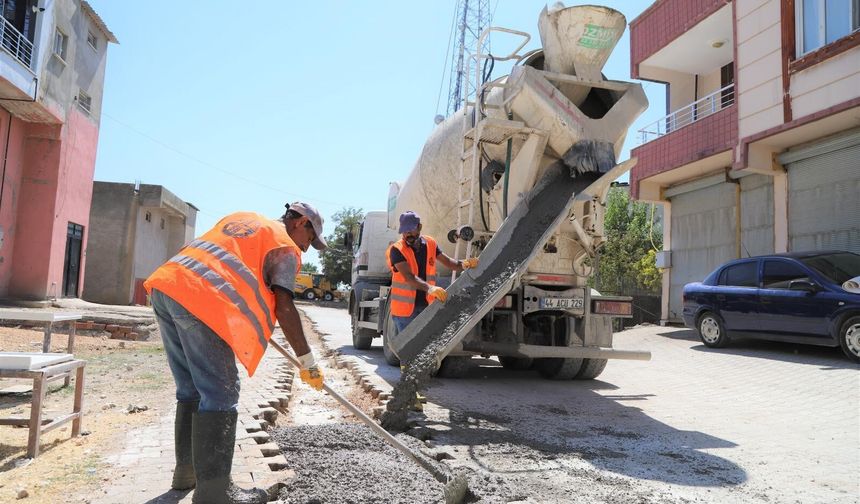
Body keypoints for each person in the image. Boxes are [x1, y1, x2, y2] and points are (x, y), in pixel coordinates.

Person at [144, 202, 327, 504]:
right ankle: (215, 493)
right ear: (301, 223)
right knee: (221, 394)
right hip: (199, 300)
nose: (306, 249)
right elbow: (284, 306)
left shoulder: (244, 219)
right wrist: (307, 361)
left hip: (168, 287)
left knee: (190, 389)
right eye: (310, 240)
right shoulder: (285, 247)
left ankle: (186, 472)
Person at [387, 210, 478, 335]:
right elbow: (409, 277)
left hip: (425, 307)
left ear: (419, 227)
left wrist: (464, 264)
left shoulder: (430, 244)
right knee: (410, 351)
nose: (407, 233)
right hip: (405, 313)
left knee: (423, 349)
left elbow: (449, 263)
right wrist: (430, 288)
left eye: (411, 229)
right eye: (404, 230)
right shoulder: (397, 250)